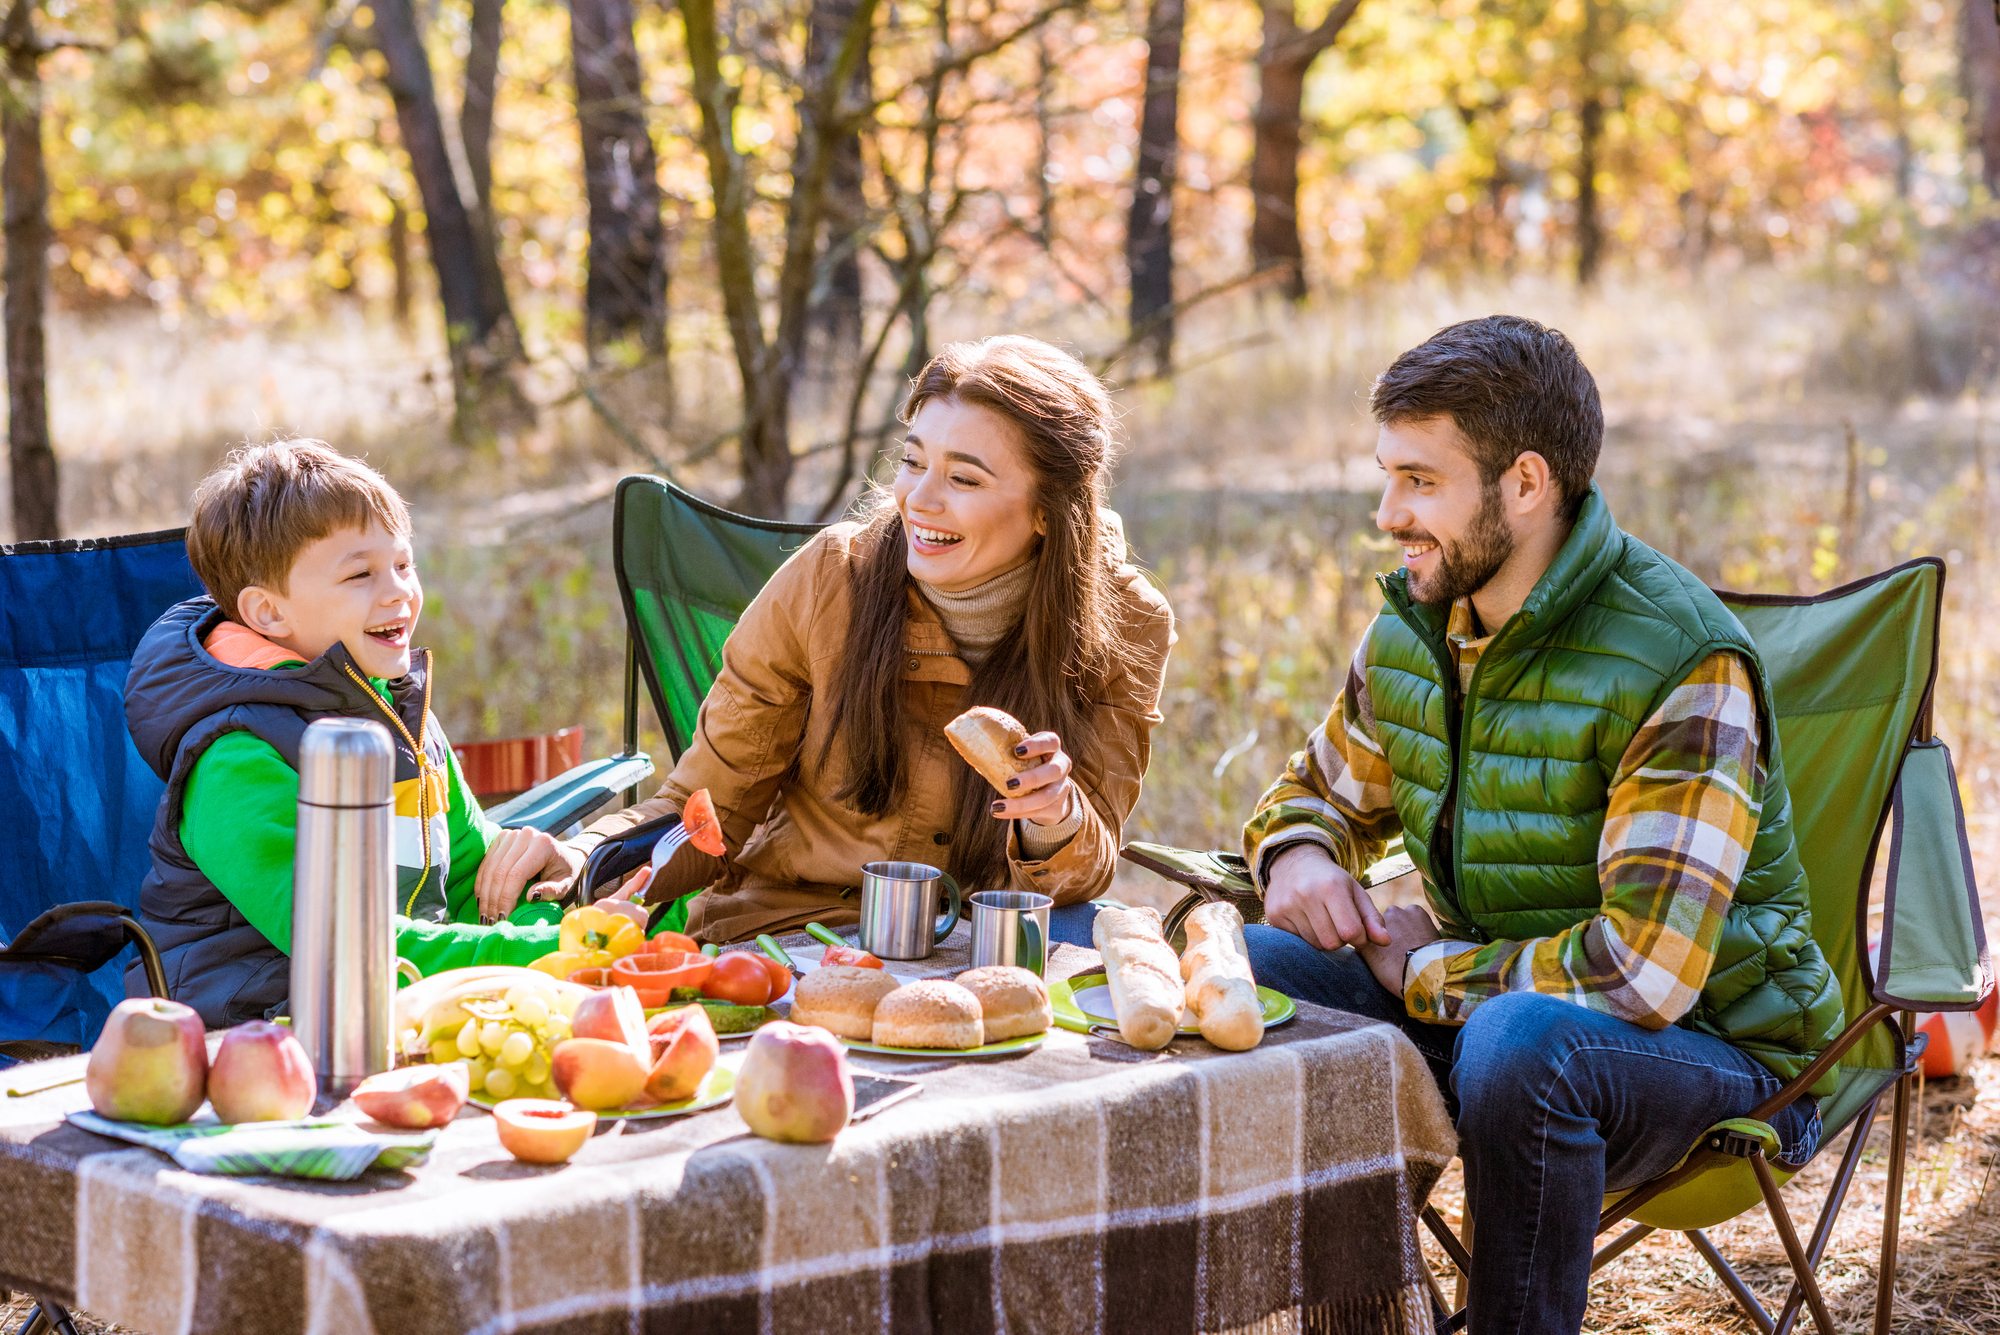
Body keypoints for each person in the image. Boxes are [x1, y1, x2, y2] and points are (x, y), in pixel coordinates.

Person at [1234, 317, 1842, 1334]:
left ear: (1523, 484)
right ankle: (1366, 1319)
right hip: (1498, 1015)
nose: (1386, 514)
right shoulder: (1417, 628)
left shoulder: (1679, 665)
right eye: (1385, 477)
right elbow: (1309, 797)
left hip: (1712, 1054)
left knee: (1524, 1043)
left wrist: (1423, 974)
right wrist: (1297, 855)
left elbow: (1641, 976)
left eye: (1419, 482)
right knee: (1259, 968)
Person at [570, 336, 1175, 942]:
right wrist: (587, 856)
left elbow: (1085, 871)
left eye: (963, 478)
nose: (919, 499)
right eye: (913, 463)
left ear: (1048, 511)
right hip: (794, 929)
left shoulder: (1127, 621)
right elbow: (708, 808)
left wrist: (1053, 816)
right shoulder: (829, 578)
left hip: (979, 942)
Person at [125, 441, 609, 1028]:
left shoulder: (401, 717)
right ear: (269, 614)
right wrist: (557, 954)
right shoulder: (236, 759)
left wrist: (592, 921)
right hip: (250, 1037)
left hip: (392, 1006)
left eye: (403, 564)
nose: (399, 590)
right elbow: (346, 948)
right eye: (361, 574)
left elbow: (475, 895)